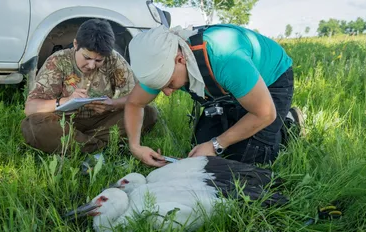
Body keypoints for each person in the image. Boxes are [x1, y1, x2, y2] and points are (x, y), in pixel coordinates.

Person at [124, 24, 304, 167]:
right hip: (228, 88)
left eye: (170, 84)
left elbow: (264, 113)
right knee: (201, 156)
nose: (168, 93)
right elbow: (134, 103)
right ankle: (238, 114)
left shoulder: (226, 59)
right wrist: (135, 146)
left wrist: (215, 144)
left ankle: (287, 123)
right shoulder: (159, 64)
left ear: (180, 60)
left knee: (246, 159)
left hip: (270, 78)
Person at [21, 19, 158, 155]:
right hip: (63, 123)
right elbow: (31, 108)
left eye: (98, 60)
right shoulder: (57, 61)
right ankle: (100, 147)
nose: (92, 66)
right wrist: (65, 101)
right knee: (33, 125)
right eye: (87, 58)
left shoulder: (114, 59)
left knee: (148, 112)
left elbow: (135, 98)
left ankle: (80, 145)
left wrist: (113, 104)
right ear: (76, 44)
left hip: (102, 121)